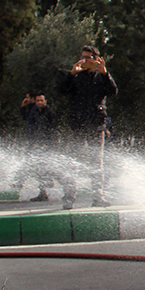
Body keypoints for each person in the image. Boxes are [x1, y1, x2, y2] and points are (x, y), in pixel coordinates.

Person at [58, 45, 117, 209]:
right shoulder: (75, 76)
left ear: (96, 59)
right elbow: (61, 90)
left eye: (87, 57)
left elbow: (113, 92)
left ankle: (98, 197)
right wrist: (71, 74)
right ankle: (69, 198)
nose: (84, 60)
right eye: (82, 57)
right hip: (77, 124)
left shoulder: (102, 77)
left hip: (96, 125)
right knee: (72, 162)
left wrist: (105, 73)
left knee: (96, 163)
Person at [19, 91, 63, 203]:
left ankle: (66, 187)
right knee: (40, 169)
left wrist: (46, 143)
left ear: (45, 101)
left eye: (41, 100)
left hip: (47, 144)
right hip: (37, 143)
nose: (39, 102)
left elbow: (51, 129)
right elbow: (25, 118)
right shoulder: (35, 112)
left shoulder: (49, 113)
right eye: (37, 100)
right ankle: (43, 192)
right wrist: (23, 106)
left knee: (49, 169)